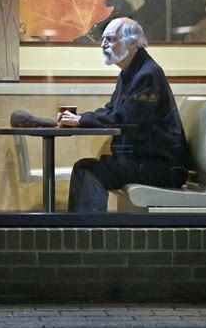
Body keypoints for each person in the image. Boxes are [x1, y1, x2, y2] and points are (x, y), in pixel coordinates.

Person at [57, 17, 188, 212]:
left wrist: (81, 120)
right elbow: (112, 110)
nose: (103, 45)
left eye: (110, 39)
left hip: (164, 167)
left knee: (89, 170)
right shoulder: (131, 73)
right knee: (84, 167)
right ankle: (82, 228)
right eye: (103, 39)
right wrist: (78, 119)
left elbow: (125, 120)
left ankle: (88, 229)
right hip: (146, 161)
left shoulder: (147, 74)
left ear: (132, 43)